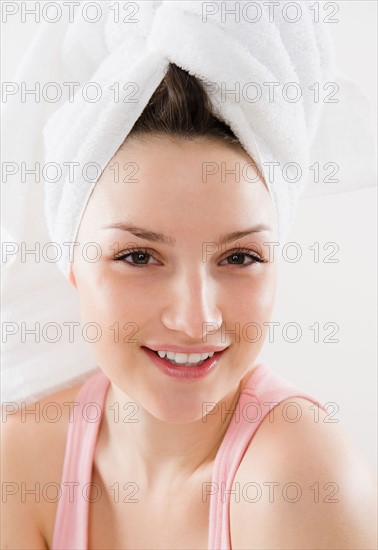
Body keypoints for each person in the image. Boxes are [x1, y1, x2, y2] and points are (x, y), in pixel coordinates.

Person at [2, 63, 376, 550]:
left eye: (239, 257)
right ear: (72, 267)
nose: (196, 318)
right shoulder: (22, 464)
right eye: (138, 257)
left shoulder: (300, 487)